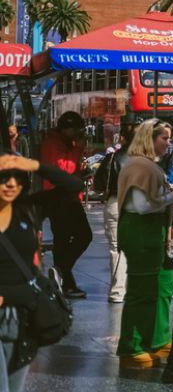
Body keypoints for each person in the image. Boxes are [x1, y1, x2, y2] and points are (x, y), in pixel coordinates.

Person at [0, 152, 80, 392]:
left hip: (22, 320)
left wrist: (31, 164)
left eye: (18, 178)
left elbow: (73, 186)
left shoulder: (28, 209)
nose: (11, 184)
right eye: (5, 178)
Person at [115, 119, 173, 370]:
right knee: (142, 289)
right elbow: (143, 206)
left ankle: (157, 339)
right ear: (149, 139)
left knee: (161, 286)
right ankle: (133, 346)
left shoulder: (149, 165)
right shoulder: (140, 166)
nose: (168, 143)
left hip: (155, 231)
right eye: (164, 138)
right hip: (142, 230)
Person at [39, 111, 91, 298]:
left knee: (63, 240)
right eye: (76, 130)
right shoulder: (53, 143)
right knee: (82, 236)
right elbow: (62, 170)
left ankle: (64, 281)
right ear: (66, 129)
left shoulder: (63, 142)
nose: (79, 133)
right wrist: (78, 150)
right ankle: (62, 273)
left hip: (66, 197)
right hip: (59, 198)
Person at [99, 120, 136, 303]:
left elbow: (99, 184)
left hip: (115, 202)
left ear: (122, 137)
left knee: (116, 247)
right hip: (138, 203)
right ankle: (133, 287)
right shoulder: (149, 159)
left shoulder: (113, 157)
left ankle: (117, 291)